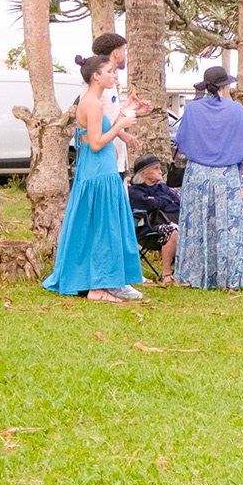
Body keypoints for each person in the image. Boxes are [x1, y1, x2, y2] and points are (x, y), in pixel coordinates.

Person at [43, 54, 144, 302]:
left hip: (98, 168)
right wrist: (121, 125)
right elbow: (97, 143)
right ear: (96, 76)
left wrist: (126, 113)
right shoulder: (93, 103)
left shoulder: (91, 101)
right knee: (104, 226)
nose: (114, 75)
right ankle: (99, 287)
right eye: (109, 71)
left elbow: (96, 135)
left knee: (98, 224)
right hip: (99, 170)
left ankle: (105, 281)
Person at [172, 66, 243, 290]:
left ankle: (194, 274)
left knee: (197, 223)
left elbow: (181, 140)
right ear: (225, 86)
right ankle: (228, 276)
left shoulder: (193, 108)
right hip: (225, 173)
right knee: (226, 223)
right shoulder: (236, 109)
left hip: (197, 172)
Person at [90, 32, 145, 176]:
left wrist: (131, 109)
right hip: (104, 158)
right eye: (124, 51)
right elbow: (91, 119)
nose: (125, 55)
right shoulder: (96, 83)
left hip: (114, 158)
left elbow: (109, 115)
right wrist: (119, 133)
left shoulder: (110, 83)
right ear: (115, 53)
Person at [128, 154, 180, 285]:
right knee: (171, 230)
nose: (160, 171)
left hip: (173, 221)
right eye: (156, 168)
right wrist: (165, 201)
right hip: (147, 229)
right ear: (143, 172)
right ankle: (166, 274)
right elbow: (149, 205)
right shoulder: (134, 191)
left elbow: (177, 203)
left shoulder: (163, 187)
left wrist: (158, 201)